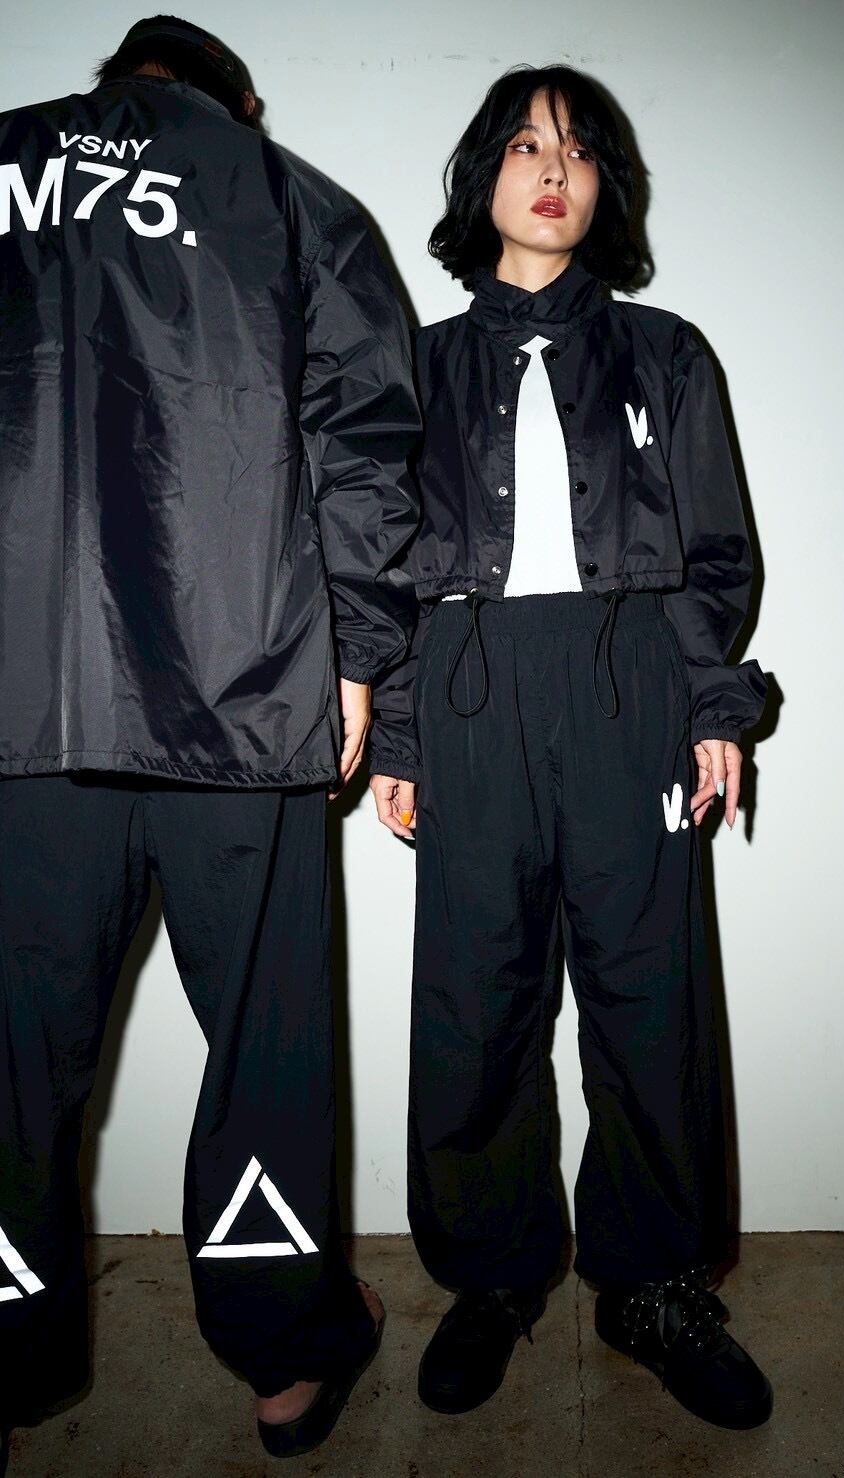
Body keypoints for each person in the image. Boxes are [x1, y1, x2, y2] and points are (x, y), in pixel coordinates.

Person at [0, 15, 420, 1464]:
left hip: (15, 708)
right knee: (264, 1041)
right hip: (241, 690)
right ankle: (286, 1365)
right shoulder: (289, 193)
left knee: (8, 1059)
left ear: (115, 79)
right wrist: (358, 654)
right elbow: (368, 438)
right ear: (236, 102)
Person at [368, 64, 772, 1430]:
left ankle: (653, 1282)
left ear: (608, 186)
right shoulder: (414, 366)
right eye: (528, 145)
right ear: (482, 172)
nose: (554, 171)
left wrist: (710, 706)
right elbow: (385, 568)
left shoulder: (668, 354)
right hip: (471, 687)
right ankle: (493, 1276)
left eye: (581, 150)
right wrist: (401, 725)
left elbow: (717, 554)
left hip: (628, 682)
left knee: (648, 997)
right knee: (475, 1000)